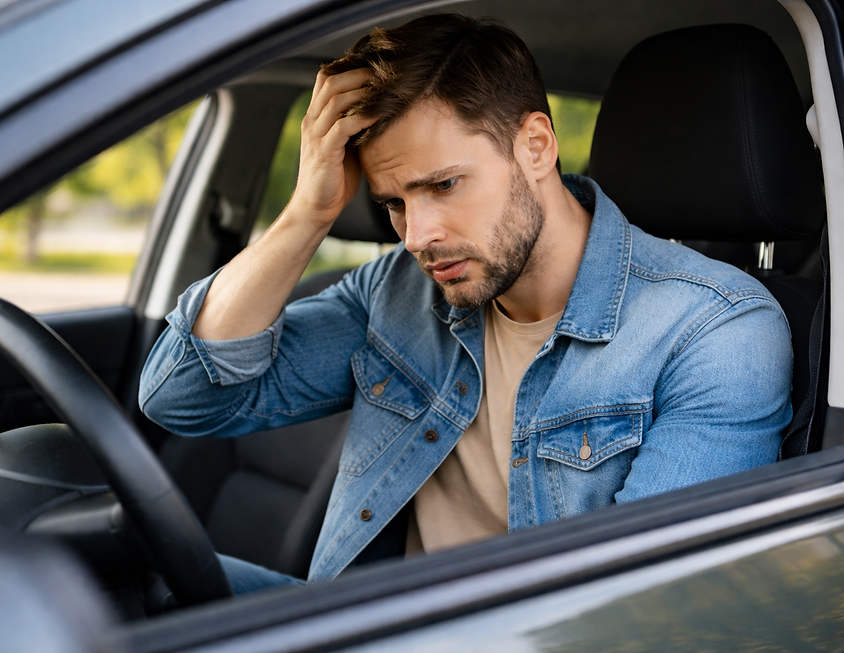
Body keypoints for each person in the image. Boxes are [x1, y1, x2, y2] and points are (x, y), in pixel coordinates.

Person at [139, 14, 792, 593]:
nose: (418, 235)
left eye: (444, 185)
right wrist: (308, 213)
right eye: (394, 202)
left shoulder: (715, 329)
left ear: (535, 146)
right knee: (127, 577)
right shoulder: (398, 288)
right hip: (362, 622)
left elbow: (636, 611)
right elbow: (182, 395)